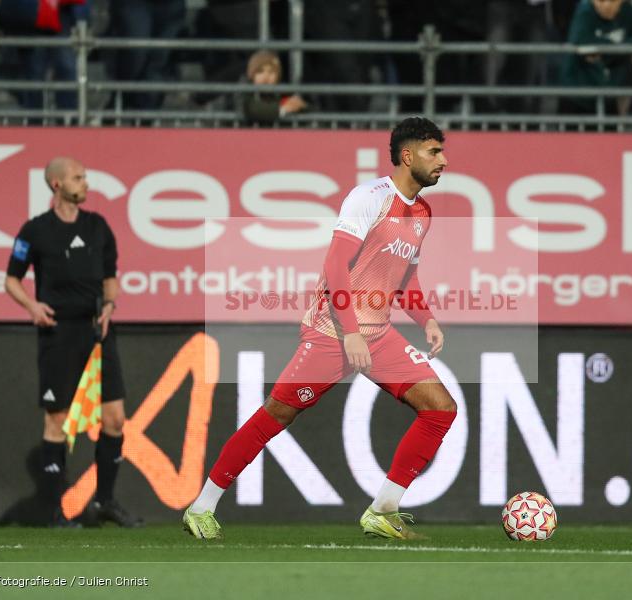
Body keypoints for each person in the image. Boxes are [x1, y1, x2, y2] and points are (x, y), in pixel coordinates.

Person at [183, 117, 457, 541]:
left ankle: (384, 509)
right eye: (433, 152)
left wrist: (428, 319)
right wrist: (348, 332)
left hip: (378, 333)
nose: (443, 160)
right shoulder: (369, 198)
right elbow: (335, 267)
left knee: (440, 408)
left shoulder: (422, 212)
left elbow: (405, 278)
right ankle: (202, 507)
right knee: (276, 415)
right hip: (333, 331)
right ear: (407, 156)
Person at [5, 157, 142, 528]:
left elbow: (111, 277)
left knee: (114, 419)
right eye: (78, 178)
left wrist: (110, 304)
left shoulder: (98, 227)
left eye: (85, 177)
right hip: (58, 333)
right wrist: (32, 306)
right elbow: (12, 280)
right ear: (56, 185)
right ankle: (54, 511)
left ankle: (106, 502)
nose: (86, 183)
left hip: (97, 331)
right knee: (58, 420)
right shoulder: (34, 231)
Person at [559, 0, 632, 116]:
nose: (606, 5)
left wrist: (617, 49)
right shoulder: (585, 10)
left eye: (612, 1)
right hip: (577, 95)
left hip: (609, 97)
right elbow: (581, 41)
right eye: (601, 1)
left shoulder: (626, 10)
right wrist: (618, 50)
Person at [239, 50, 306, 126]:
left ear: (277, 76)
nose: (266, 76)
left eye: (271, 72)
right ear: (252, 75)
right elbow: (250, 108)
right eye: (260, 71)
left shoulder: (281, 91)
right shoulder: (244, 89)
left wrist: (300, 105)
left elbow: (305, 107)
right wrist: (282, 108)